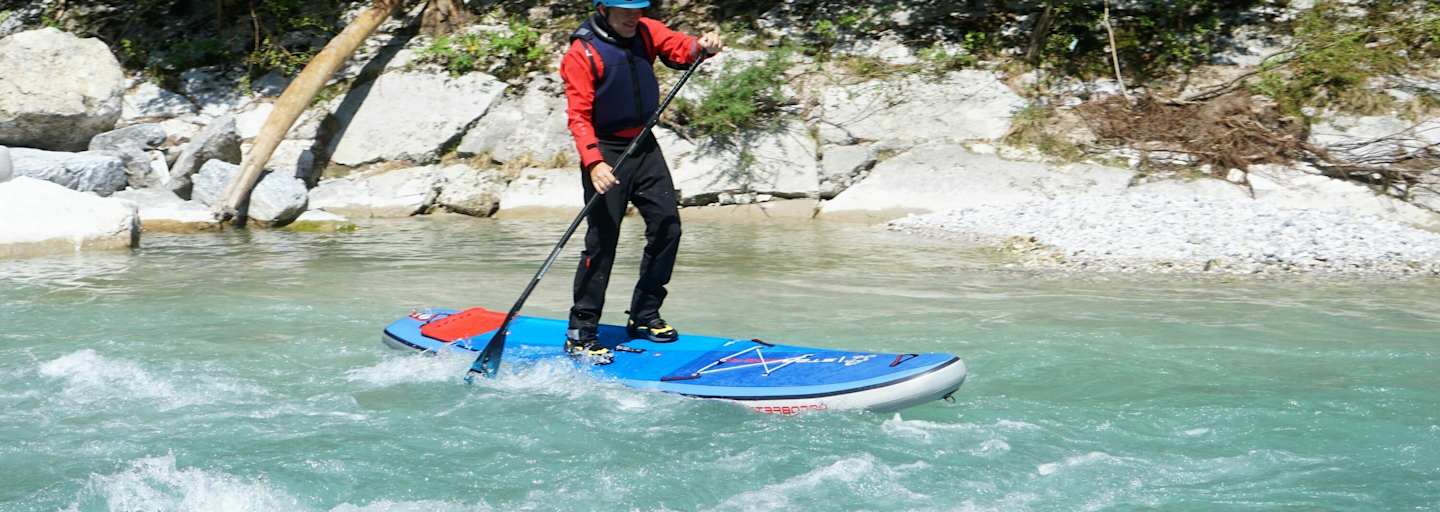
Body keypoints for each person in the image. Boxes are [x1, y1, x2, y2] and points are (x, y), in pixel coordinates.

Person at [559, 0, 723, 363]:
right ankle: (581, 332)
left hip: (643, 144)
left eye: (638, 8)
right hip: (606, 149)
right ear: (603, 9)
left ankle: (644, 314)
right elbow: (579, 116)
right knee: (602, 241)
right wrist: (594, 163)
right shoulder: (582, 52)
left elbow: (680, 48)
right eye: (624, 10)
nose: (633, 16)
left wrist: (702, 45)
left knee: (667, 226)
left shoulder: (646, 31)